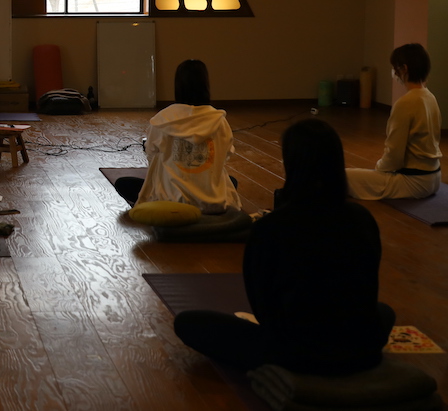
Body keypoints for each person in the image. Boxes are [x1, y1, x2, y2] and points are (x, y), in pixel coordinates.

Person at [174, 119, 395, 375]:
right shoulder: (362, 219)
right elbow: (367, 287)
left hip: (295, 353)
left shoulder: (271, 227)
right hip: (361, 351)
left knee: (188, 323)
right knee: (384, 312)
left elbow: (262, 306)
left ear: (291, 163)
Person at [114, 59, 241, 214]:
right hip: (212, 204)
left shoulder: (162, 120)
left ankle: (172, 206)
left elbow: (151, 156)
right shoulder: (220, 121)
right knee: (230, 182)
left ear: (178, 86)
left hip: (169, 202)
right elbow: (225, 156)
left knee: (123, 184)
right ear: (206, 85)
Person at [346, 43, 441, 199]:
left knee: (342, 176)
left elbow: (394, 156)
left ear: (404, 69)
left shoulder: (405, 103)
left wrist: (378, 169)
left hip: (414, 183)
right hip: (434, 179)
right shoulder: (430, 97)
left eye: (395, 67)